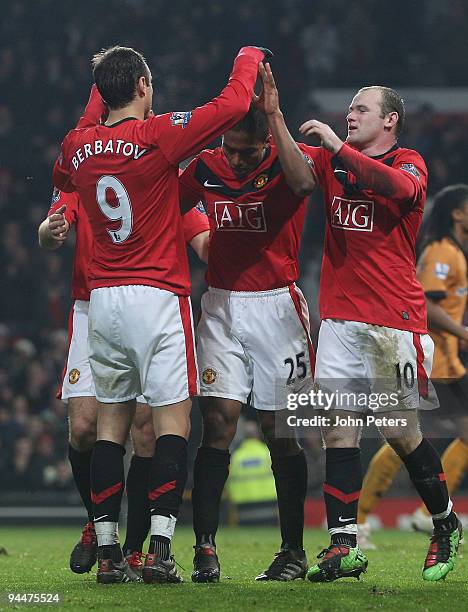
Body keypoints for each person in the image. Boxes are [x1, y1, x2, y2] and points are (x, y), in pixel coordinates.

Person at [52, 44, 268, 584]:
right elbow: (233, 102)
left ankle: (107, 552)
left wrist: (99, 86)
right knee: (172, 422)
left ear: (101, 95)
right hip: (156, 294)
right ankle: (162, 550)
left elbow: (65, 168)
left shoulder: (78, 146)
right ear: (145, 86)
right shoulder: (158, 137)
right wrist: (248, 55)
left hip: (102, 301)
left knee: (111, 426)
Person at [299, 86, 462, 582]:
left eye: (361, 109)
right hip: (340, 319)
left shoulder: (409, 162)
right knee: (337, 429)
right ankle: (343, 546)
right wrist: (266, 110)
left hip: (394, 320)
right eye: (348, 108)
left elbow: (400, 190)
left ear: (389, 120)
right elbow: (283, 157)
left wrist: (334, 146)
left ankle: (445, 521)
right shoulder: (330, 159)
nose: (349, 115)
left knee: (399, 431)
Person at [179, 63, 317, 583]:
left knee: (279, 432)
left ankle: (292, 552)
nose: (236, 158)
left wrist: (275, 115)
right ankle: (205, 549)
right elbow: (173, 205)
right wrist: (198, 238)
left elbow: (305, 184)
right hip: (221, 305)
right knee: (217, 423)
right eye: (230, 148)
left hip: (279, 307)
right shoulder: (207, 164)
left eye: (246, 150)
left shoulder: (285, 162)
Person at [38, 185, 209, 578]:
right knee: (83, 427)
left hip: (150, 302)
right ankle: (98, 526)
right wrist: (50, 230)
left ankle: (131, 549)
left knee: (147, 430)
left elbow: (201, 237)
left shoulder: (160, 172)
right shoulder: (89, 160)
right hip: (92, 303)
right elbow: (49, 232)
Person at [357, 184, 468, 544]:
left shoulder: (453, 251)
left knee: (467, 432)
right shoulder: (441, 252)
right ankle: (359, 519)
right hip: (431, 359)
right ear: (456, 214)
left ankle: (425, 514)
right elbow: (427, 304)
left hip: (446, 360)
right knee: (407, 437)